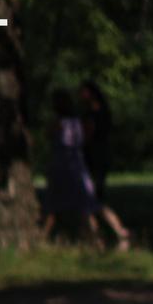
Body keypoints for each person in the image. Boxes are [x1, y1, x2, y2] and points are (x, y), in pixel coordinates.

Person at [37, 92, 101, 247]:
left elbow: (48, 135)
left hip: (62, 164)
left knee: (53, 204)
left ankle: (41, 239)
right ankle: (96, 240)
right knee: (83, 206)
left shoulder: (58, 123)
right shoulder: (79, 122)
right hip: (77, 164)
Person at [77, 82, 131, 250]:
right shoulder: (103, 112)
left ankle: (117, 233)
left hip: (91, 159)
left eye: (83, 92)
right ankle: (95, 237)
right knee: (90, 201)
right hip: (99, 158)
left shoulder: (92, 114)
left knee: (92, 200)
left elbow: (87, 135)